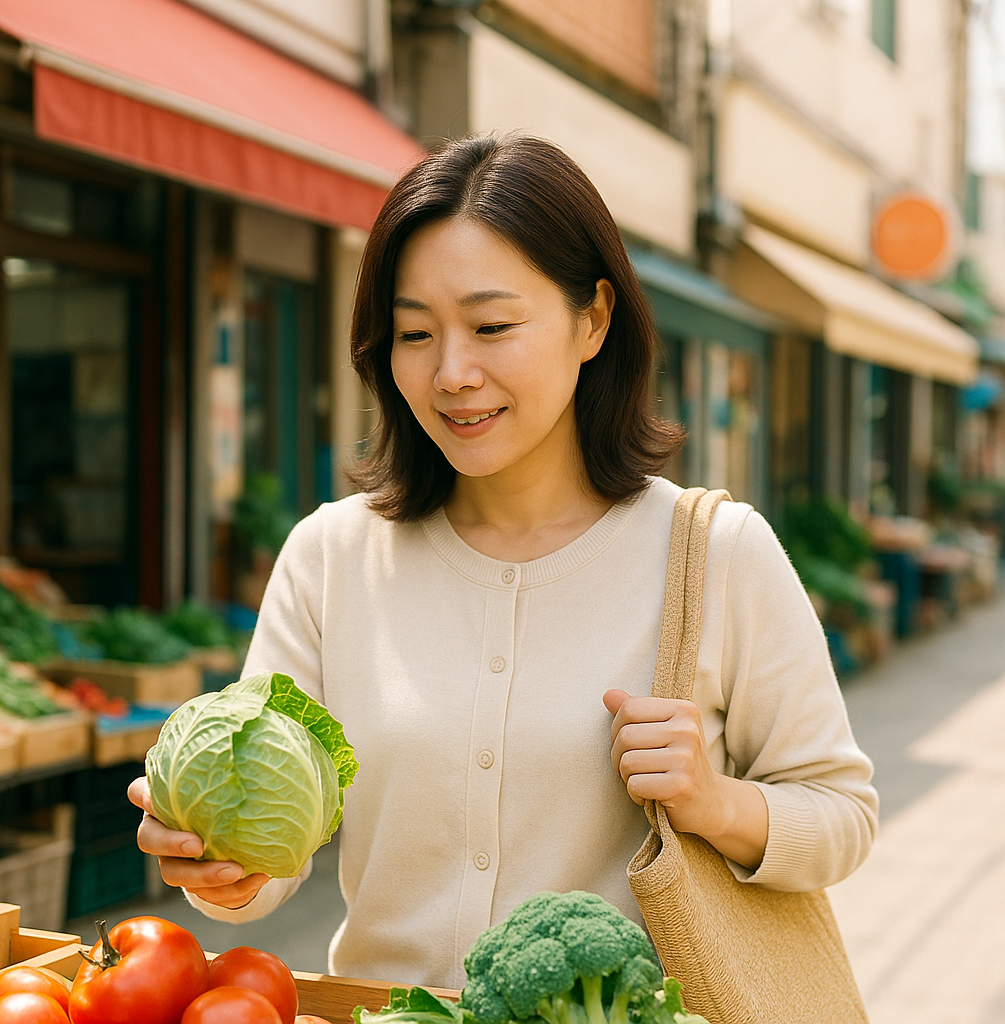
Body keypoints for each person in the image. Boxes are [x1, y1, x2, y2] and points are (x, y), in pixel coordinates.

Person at [130, 133, 878, 990]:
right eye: (415, 333)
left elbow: (841, 815)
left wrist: (717, 802)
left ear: (592, 320)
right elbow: (273, 864)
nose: (452, 373)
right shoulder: (331, 557)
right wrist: (224, 869)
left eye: (492, 326)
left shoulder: (714, 554)